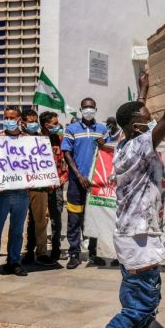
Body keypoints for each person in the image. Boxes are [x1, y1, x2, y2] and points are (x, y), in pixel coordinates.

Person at [89, 50, 165, 328]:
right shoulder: (140, 144)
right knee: (141, 307)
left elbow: (140, 113)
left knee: (143, 306)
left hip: (131, 235)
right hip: (139, 238)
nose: (151, 118)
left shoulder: (123, 143)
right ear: (135, 126)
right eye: (145, 117)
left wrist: (142, 89)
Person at [63, 98, 108, 269]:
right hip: (77, 182)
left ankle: (94, 253)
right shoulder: (71, 129)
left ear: (95, 109)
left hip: (96, 182)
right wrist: (79, 175)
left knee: (95, 217)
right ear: (81, 109)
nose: (89, 110)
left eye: (91, 108)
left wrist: (105, 144)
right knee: (74, 218)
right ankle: (74, 254)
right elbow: (67, 153)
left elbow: (108, 153)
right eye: (86, 108)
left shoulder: (102, 129)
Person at [0, 105, 30, 278]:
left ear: (20, 119)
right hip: (2, 192)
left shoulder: (28, 139)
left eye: (12, 118)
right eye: (7, 117)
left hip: (22, 192)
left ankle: (14, 262)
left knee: (18, 230)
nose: (9, 121)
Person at [20, 109, 55, 266]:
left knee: (40, 220)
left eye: (35, 121)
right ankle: (21, 253)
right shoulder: (16, 139)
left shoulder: (43, 140)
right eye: (30, 121)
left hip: (39, 186)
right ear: (23, 123)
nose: (33, 124)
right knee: (20, 222)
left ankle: (41, 252)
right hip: (19, 186)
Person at [39, 111, 68, 261]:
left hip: (57, 186)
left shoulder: (60, 139)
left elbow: (66, 161)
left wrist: (62, 179)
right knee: (38, 220)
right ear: (46, 124)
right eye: (55, 123)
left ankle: (56, 250)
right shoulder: (35, 140)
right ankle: (38, 251)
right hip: (40, 188)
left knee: (56, 218)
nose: (58, 126)